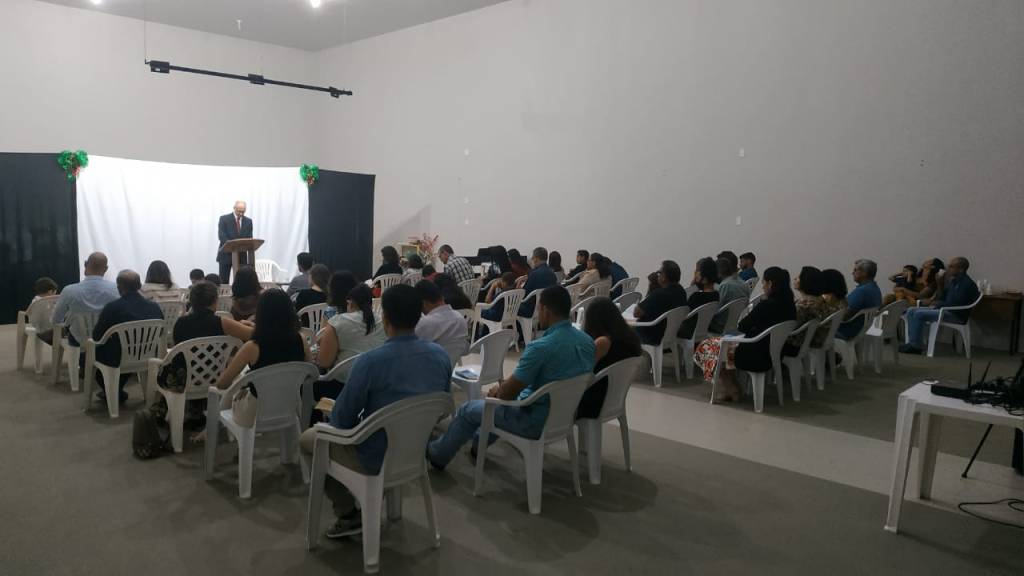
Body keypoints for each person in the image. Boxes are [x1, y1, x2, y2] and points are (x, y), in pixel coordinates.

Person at [303, 284, 451, 539]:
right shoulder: (440, 356)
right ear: (419, 316)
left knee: (308, 440)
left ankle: (347, 512)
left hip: (372, 455)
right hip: (415, 449)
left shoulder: (370, 362)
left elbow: (341, 421)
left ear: (386, 317)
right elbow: (442, 407)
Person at [428, 286, 594, 469]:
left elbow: (507, 394)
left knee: (470, 409)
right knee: (496, 404)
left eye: (539, 309)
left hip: (533, 421)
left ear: (545, 310)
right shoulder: (587, 342)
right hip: (565, 417)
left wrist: (498, 390)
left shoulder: (541, 347)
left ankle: (438, 454)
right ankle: (478, 444)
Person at [152, 281, 252, 429]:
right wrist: (245, 324)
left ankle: (177, 409)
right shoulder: (223, 323)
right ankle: (198, 409)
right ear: (215, 301)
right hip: (214, 376)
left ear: (191, 301)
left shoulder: (180, 323)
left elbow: (176, 349)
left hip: (183, 380)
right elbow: (252, 335)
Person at [694, 267, 796, 402]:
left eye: (764, 283)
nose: (763, 287)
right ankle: (732, 386)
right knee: (724, 345)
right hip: (774, 354)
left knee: (708, 347)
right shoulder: (790, 306)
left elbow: (743, 326)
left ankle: (730, 387)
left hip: (755, 354)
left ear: (770, 284)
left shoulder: (766, 305)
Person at [90, 270, 164, 404]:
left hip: (118, 358)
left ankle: (113, 392)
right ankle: (116, 391)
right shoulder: (154, 307)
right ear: (139, 285)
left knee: (91, 354)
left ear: (119, 287)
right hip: (147, 354)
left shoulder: (112, 307)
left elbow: (97, 336)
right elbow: (160, 332)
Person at [216, 289, 311, 390]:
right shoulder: (301, 339)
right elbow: (309, 373)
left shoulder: (252, 347)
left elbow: (222, 384)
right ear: (290, 312)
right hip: (293, 398)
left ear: (260, 313)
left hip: (260, 399)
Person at [576, 298, 642, 419]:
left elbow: (585, 371)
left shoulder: (603, 342)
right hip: (614, 396)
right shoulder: (630, 337)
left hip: (595, 400)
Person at [900, 257, 979, 355]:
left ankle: (916, 346)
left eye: (951, 267)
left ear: (961, 269)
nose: (948, 269)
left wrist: (936, 304)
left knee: (919, 314)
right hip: (945, 310)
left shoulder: (966, 284)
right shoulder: (952, 281)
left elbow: (955, 304)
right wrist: (940, 284)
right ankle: (912, 343)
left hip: (956, 314)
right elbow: (941, 297)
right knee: (911, 310)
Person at [51, 252, 120, 347]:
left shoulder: (69, 290)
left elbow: (56, 319)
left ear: (85, 264)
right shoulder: (117, 289)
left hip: (77, 342)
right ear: (106, 269)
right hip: (107, 341)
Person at [633, 260, 688, 345]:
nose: (657, 275)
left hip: (651, 335)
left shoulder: (659, 294)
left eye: (659, 273)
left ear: (664, 278)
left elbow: (636, 313)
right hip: (670, 335)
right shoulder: (681, 291)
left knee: (623, 330)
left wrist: (651, 288)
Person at [415, 279, 468, 362]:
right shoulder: (461, 319)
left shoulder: (424, 324)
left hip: (430, 367)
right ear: (442, 297)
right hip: (454, 366)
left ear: (424, 303)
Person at [783, 267, 831, 355]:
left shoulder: (805, 307)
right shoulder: (821, 300)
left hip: (796, 344)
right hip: (812, 341)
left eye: (798, 277)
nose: (795, 279)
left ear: (806, 282)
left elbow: (788, 327)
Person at [836, 259, 882, 340]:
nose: (852, 273)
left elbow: (844, 315)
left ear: (864, 273)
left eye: (855, 270)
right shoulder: (874, 288)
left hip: (847, 331)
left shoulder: (862, 291)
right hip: (862, 330)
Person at [679, 257, 720, 339]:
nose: (695, 274)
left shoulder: (696, 297)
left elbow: (683, 314)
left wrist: (693, 284)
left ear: (705, 278)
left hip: (689, 332)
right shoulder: (716, 294)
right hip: (703, 331)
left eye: (698, 271)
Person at [709, 256, 751, 333]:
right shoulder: (743, 283)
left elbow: (716, 308)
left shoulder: (725, 285)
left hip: (721, 326)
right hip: (736, 323)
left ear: (719, 272)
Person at [217, 200, 253, 284]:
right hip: (226, 254)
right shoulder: (224, 219)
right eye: (239, 211)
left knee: (242, 281)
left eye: (243, 211)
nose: (241, 213)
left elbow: (249, 238)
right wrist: (233, 246)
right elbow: (222, 236)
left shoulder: (248, 221)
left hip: (241, 255)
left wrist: (241, 246)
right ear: (234, 208)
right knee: (223, 281)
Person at [518, 247, 558, 318]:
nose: (532, 259)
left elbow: (524, 294)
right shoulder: (552, 273)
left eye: (533, 257)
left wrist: (519, 284)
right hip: (547, 308)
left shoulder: (534, 274)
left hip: (531, 309)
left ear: (536, 258)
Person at [29, 277, 59, 345]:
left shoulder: (34, 302)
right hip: (45, 333)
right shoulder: (47, 303)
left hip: (38, 330)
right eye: (54, 293)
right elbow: (51, 319)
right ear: (50, 291)